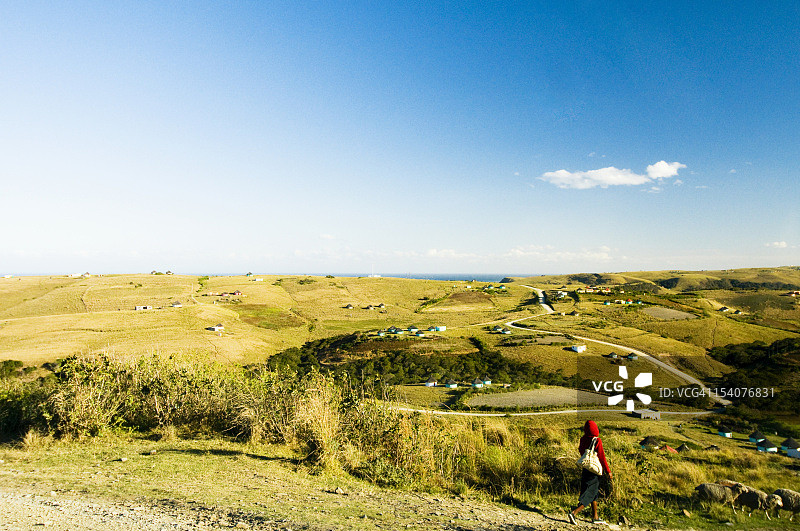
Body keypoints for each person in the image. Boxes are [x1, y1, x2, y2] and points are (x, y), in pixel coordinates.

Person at [568, 420, 612, 525]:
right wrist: (608, 471)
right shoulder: (597, 440)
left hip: (586, 468)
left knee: (593, 492)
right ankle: (574, 513)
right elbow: (602, 457)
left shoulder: (583, 439)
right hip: (594, 470)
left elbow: (581, 450)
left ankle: (595, 517)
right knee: (590, 493)